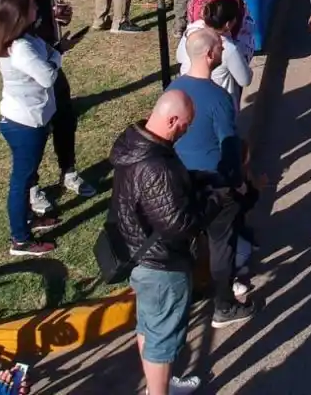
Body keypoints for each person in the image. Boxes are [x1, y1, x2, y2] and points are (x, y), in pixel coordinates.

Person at [110, 90, 205, 395]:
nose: (186, 130)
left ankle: (157, 386)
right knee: (162, 340)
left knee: (149, 329)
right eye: (186, 124)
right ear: (173, 120)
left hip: (139, 256)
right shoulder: (156, 166)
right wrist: (212, 205)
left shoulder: (135, 144)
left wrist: (192, 180)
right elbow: (178, 225)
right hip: (163, 265)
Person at [168, 29, 253, 328]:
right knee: (221, 245)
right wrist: (238, 182)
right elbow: (229, 145)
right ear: (209, 55)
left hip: (180, 182)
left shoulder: (173, 89)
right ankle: (224, 306)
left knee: (188, 239)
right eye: (219, 47)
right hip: (215, 185)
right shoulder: (218, 97)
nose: (222, 50)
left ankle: (191, 290)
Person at [7, 0, 94, 214]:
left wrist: (61, 20)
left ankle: (68, 171)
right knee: (35, 134)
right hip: (29, 77)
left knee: (65, 120)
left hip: (52, 64)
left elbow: (49, 27)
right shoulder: (11, 3)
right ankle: (32, 188)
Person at [0, 0, 62, 256]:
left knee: (27, 177)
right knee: (22, 180)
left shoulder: (25, 38)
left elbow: (48, 54)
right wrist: (56, 56)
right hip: (25, 124)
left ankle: (27, 219)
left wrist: (53, 54)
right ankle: (20, 240)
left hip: (27, 119)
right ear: (20, 14)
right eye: (31, 6)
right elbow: (48, 76)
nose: (36, 8)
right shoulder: (21, 49)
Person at [175, 0, 252, 110]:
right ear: (227, 24)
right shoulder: (227, 48)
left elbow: (179, 57)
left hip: (188, 101)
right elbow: (245, 80)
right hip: (219, 105)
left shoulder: (190, 31)